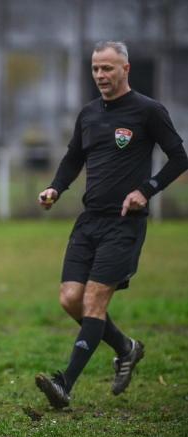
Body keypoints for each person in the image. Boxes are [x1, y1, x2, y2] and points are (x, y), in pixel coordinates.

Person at [35, 41, 187, 409]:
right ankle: (126, 348)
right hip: (89, 221)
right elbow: (73, 157)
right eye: (96, 69)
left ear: (126, 69)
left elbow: (179, 158)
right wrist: (56, 187)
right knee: (70, 299)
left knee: (93, 301)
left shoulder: (149, 111)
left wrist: (146, 191)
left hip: (125, 224)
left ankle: (65, 384)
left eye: (108, 68)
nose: (101, 76)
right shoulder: (88, 114)